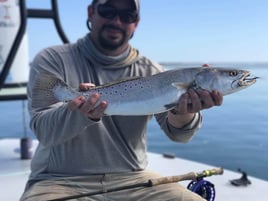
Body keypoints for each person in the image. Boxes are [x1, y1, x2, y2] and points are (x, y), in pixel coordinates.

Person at [20, 0, 223, 200]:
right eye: (108, 11)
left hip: (135, 180)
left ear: (136, 22)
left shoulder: (153, 72)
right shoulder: (53, 59)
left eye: (127, 16)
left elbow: (180, 136)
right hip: (59, 180)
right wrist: (79, 113)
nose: (117, 21)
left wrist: (184, 111)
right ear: (91, 12)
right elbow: (43, 131)